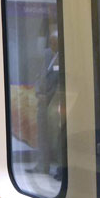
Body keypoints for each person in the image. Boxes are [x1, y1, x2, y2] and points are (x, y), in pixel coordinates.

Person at [32, 30, 62, 178]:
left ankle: (59, 167)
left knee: (56, 136)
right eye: (51, 42)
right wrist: (38, 92)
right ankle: (42, 164)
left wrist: (48, 97)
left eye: (54, 43)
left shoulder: (64, 58)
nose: (52, 45)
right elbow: (39, 75)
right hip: (42, 101)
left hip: (54, 103)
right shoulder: (47, 55)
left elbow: (60, 83)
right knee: (42, 134)